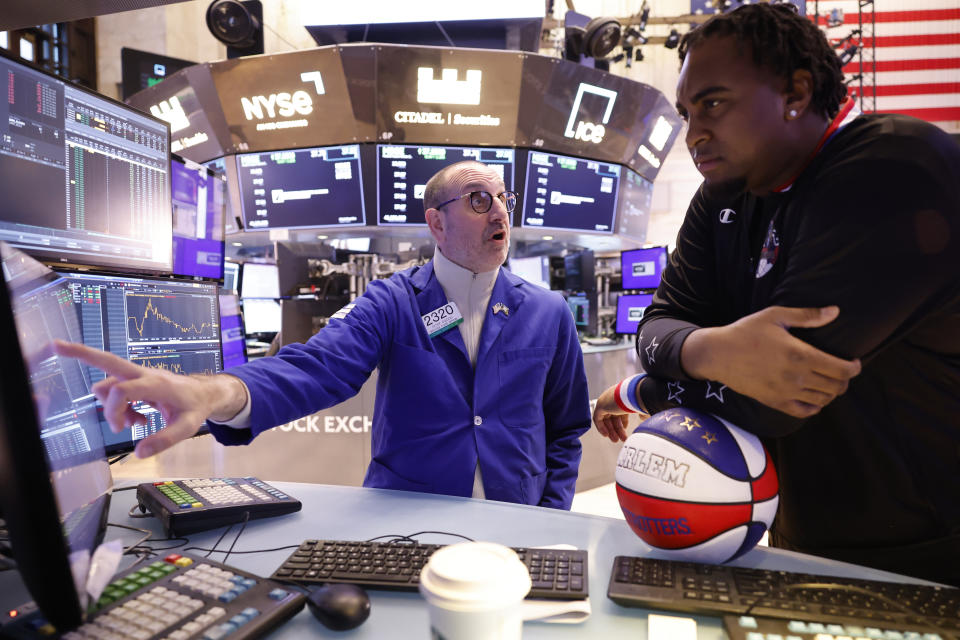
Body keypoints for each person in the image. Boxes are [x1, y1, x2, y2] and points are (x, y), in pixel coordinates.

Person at [593, 3, 960, 585]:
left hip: (928, 558)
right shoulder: (723, 197)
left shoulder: (894, 167)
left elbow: (775, 397)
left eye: (712, 103)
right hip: (795, 539)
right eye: (687, 112)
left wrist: (643, 387)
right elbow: (656, 328)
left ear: (795, 92)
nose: (695, 133)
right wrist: (708, 351)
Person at [57, 161, 591, 509]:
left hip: (518, 519)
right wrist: (213, 392)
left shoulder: (549, 312)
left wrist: (551, 512)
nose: (499, 211)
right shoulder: (394, 302)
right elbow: (318, 367)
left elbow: (565, 429)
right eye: (479, 200)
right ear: (436, 222)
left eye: (503, 198)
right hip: (406, 519)